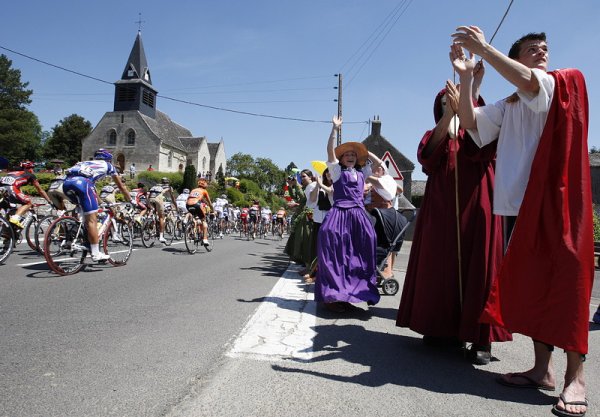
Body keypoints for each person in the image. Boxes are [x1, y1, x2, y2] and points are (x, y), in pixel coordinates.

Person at [451, 28, 592, 416]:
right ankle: (542, 370)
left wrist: (484, 49)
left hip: (556, 203)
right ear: (518, 57)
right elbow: (471, 124)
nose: (542, 53)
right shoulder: (509, 103)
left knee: (566, 287)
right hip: (517, 205)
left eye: (545, 48)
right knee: (533, 287)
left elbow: (529, 81)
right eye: (532, 49)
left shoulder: (554, 85)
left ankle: (575, 378)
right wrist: (466, 78)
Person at [396, 68, 512, 364]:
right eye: (446, 102)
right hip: (441, 213)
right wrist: (448, 116)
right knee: (440, 268)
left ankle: (481, 339)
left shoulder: (484, 129)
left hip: (478, 208)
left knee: (480, 269)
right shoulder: (434, 133)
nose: (453, 104)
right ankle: (441, 328)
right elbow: (427, 158)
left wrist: (471, 89)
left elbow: (479, 147)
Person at [315, 116, 379, 312]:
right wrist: (334, 130)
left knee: (362, 250)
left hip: (358, 216)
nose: (350, 156)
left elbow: (381, 167)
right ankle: (333, 297)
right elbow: (329, 151)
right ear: (341, 159)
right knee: (335, 254)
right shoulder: (336, 172)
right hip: (339, 215)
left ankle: (354, 293)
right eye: (347, 154)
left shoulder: (362, 173)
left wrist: (367, 152)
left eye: (353, 154)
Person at [63, 149, 132, 262]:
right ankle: (95, 253)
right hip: (83, 184)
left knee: (82, 214)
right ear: (108, 159)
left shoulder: (83, 163)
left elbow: (93, 189)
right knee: (92, 220)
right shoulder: (108, 165)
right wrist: (130, 200)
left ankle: (71, 236)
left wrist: (100, 202)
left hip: (67, 184)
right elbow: (121, 186)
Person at [0, 161, 53, 228]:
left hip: (2, 189)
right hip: (10, 188)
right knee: (28, 203)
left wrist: (23, 198)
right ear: (28, 169)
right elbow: (40, 190)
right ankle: (15, 218)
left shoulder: (13, 173)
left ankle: (7, 233)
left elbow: (16, 188)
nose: (32, 170)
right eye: (31, 168)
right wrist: (49, 201)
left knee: (12, 209)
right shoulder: (30, 175)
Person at [147, 177, 177, 244]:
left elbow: (149, 193)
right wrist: (176, 206)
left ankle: (150, 224)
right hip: (158, 198)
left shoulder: (156, 186)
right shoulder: (169, 187)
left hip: (150, 198)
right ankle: (161, 236)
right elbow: (173, 199)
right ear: (168, 182)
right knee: (161, 217)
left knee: (154, 212)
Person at [186, 178, 214, 246]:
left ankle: (194, 231)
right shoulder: (204, 191)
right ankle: (205, 239)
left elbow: (192, 198)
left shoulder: (193, 190)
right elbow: (210, 203)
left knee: (196, 218)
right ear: (204, 185)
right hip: (196, 204)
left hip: (188, 205)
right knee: (203, 220)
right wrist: (213, 210)